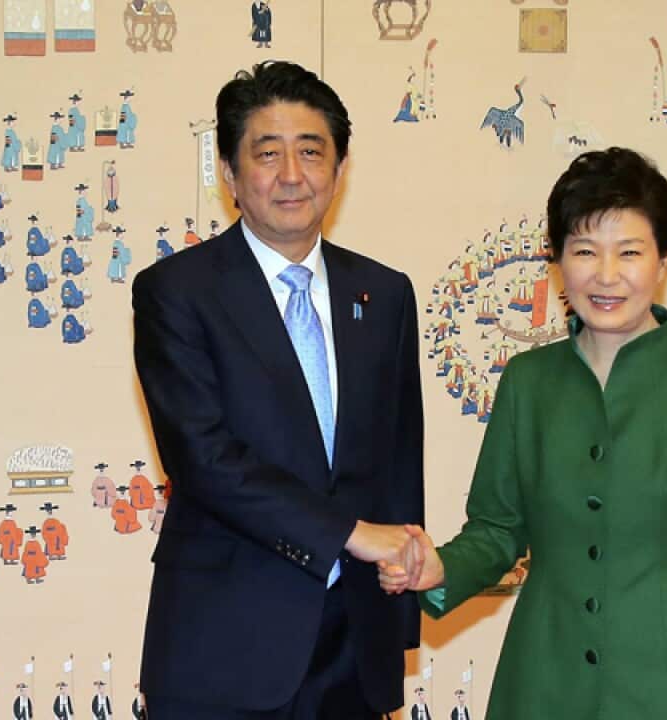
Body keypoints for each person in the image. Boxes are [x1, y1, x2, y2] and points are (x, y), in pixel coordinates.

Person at [382, 148, 667, 719]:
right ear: (559, 261)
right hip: (544, 682)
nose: (606, 275)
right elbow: (497, 529)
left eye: (630, 253)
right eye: (585, 251)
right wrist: (440, 569)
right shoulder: (529, 380)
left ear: (662, 260)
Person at [133, 60, 424, 719]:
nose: (292, 175)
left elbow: (399, 458)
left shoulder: (384, 294)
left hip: (354, 645)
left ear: (340, 168)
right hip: (224, 646)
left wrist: (397, 615)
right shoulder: (177, 293)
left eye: (311, 151)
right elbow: (204, 460)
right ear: (231, 175)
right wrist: (351, 532)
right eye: (268, 153)